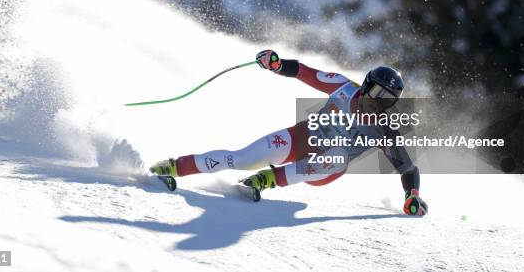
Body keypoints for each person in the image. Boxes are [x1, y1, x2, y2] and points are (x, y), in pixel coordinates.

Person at [150, 50, 428, 215]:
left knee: (338, 156)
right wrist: (277, 64)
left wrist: (412, 195)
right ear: (367, 85)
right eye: (378, 93)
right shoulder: (343, 87)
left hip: (324, 168)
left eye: (388, 99)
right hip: (302, 138)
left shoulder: (383, 130)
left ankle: (267, 179)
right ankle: (174, 167)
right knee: (243, 157)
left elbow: (407, 168)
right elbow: (304, 72)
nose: (379, 102)